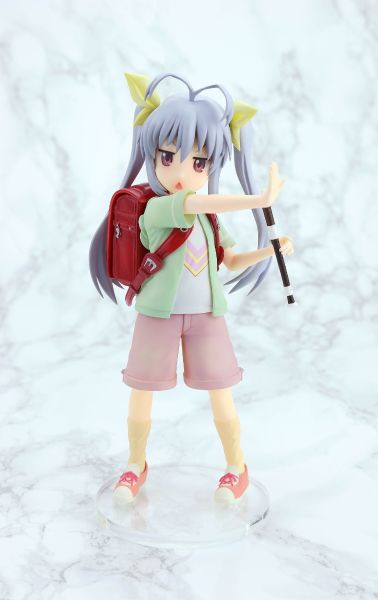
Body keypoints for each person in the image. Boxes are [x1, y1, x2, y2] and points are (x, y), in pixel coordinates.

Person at [89, 72, 294, 504]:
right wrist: (258, 200)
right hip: (157, 313)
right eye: (168, 157)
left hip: (206, 316)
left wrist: (270, 250)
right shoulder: (160, 208)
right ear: (152, 155)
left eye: (199, 163)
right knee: (142, 390)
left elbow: (230, 260)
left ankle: (237, 468)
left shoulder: (209, 219)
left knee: (222, 392)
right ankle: (135, 464)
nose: (182, 172)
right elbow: (193, 200)